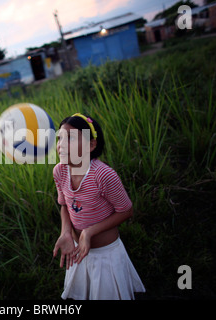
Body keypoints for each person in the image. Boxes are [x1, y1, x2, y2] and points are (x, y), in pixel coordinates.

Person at [52, 113, 145, 300]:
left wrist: (89, 232)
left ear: (91, 145)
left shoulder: (103, 175)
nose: (61, 144)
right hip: (79, 252)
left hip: (106, 256)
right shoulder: (60, 171)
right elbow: (64, 205)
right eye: (59, 138)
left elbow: (126, 210)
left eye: (70, 138)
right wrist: (66, 232)